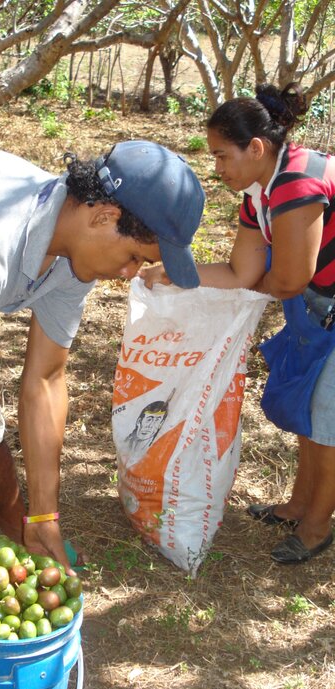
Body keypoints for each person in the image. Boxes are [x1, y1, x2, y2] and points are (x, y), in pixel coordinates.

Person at [0, 139, 205, 667]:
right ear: (104, 215)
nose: (130, 274)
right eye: (134, 258)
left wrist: (46, 513)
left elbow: (45, 379)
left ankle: (22, 536)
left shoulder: (71, 249)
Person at [143, 82, 335, 567]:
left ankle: (316, 528)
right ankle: (298, 505)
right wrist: (173, 274)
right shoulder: (261, 192)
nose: (218, 169)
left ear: (256, 147)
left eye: (222, 156)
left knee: (329, 423)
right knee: (314, 414)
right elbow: (242, 273)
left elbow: (289, 278)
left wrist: (234, 303)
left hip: (320, 302)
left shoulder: (296, 184)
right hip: (320, 307)